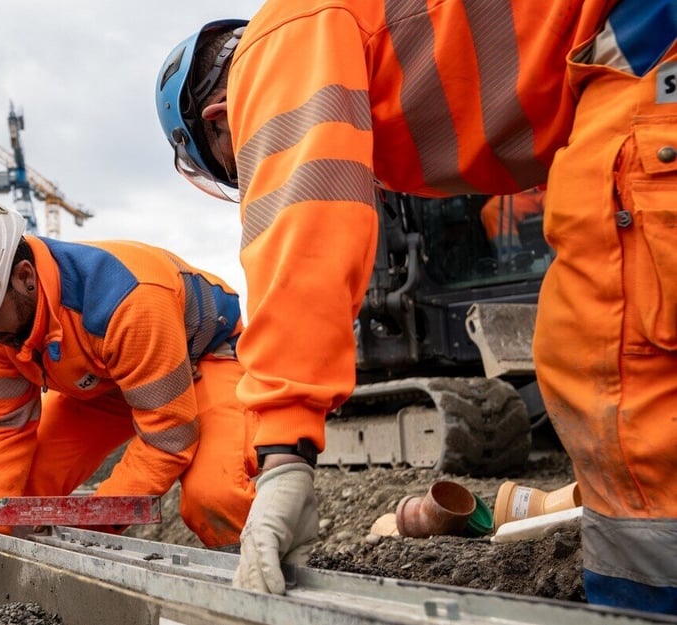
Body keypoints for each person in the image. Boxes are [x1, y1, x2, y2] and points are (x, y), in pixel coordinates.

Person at [155, 2, 677, 612]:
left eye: (242, 161)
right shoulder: (338, 35)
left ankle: (645, 602)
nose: (256, 166)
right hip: (631, 54)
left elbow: (301, 237)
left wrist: (282, 456)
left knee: (609, 355)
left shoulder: (274, 49)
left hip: (641, 46)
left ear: (223, 119)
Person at [0, 197, 257, 580]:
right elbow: (4, 431)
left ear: (25, 277)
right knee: (20, 498)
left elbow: (168, 439)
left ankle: (254, 584)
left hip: (201, 359)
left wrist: (92, 527)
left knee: (214, 497)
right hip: (108, 380)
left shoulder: (126, 301)